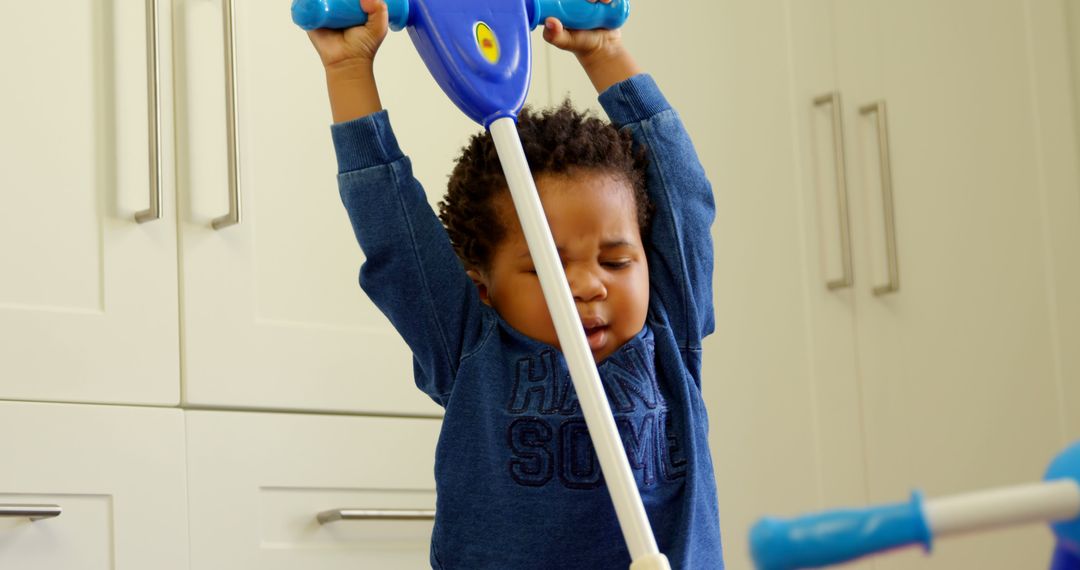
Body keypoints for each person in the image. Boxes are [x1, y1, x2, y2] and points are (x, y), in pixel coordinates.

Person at [306, 0, 723, 567]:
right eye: (544, 266)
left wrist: (605, 53)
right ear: (483, 285)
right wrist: (347, 71)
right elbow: (393, 228)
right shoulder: (468, 347)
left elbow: (684, 199)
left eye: (617, 261)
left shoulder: (668, 332)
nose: (588, 285)